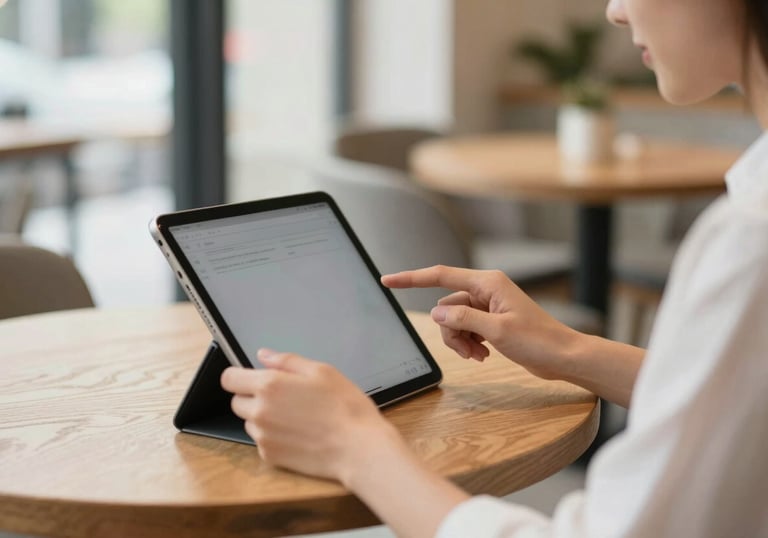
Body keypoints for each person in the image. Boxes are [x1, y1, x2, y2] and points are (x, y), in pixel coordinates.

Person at [221, 0, 768, 535]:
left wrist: (354, 447)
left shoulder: (749, 239)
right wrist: (565, 349)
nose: (615, 11)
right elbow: (742, 406)